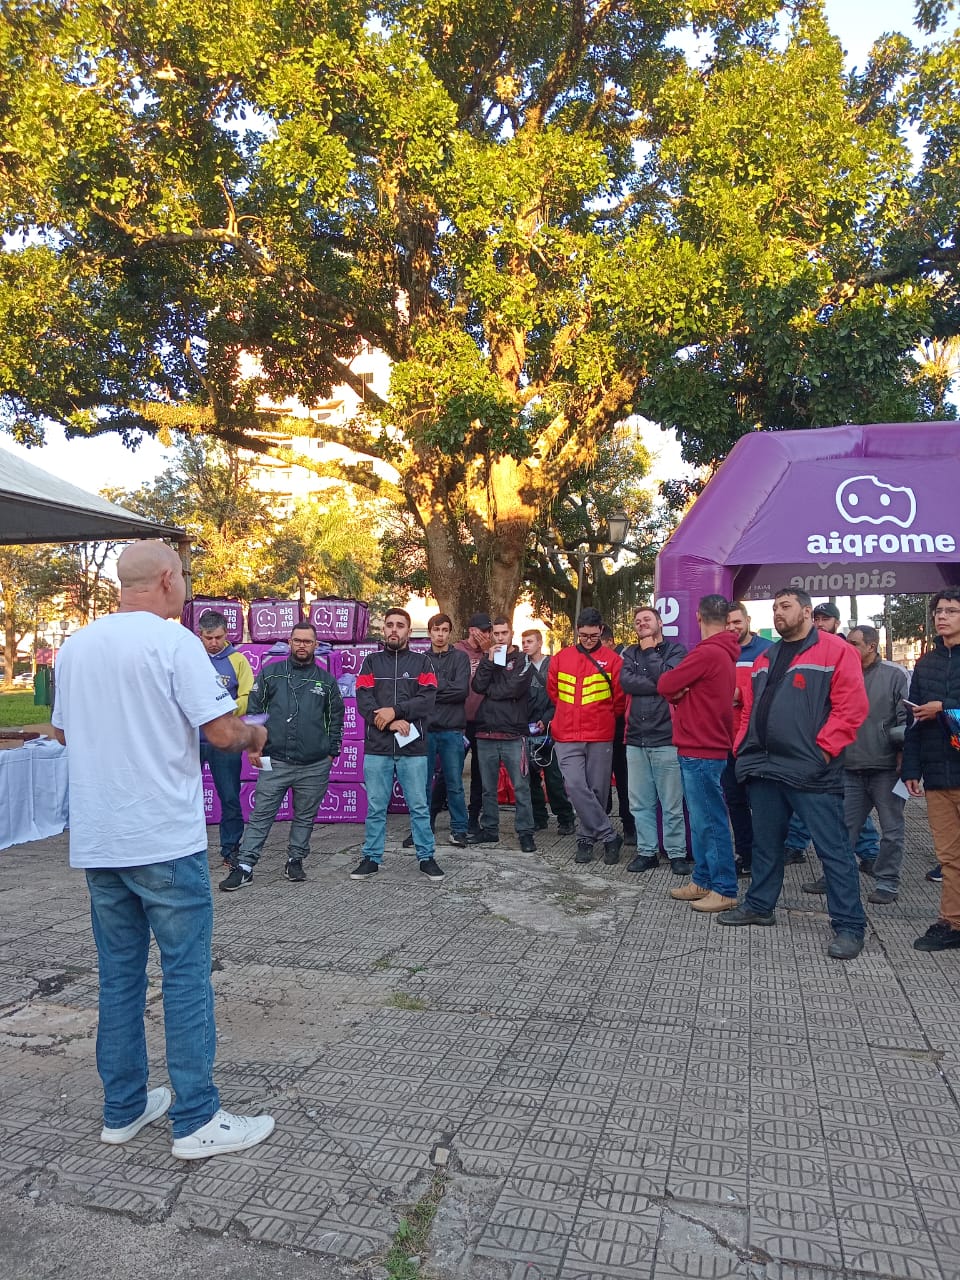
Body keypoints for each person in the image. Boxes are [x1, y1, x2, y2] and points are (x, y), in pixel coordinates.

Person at [51, 541, 274, 1159]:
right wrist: (255, 735)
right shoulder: (175, 643)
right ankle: (196, 1118)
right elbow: (222, 732)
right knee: (185, 974)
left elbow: (64, 730)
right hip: (163, 839)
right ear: (169, 579)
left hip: (100, 839)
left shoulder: (77, 646)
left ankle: (123, 1107)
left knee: (119, 975)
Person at [722, 587, 869, 959]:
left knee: (833, 849)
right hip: (765, 768)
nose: (778, 613)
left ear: (806, 612)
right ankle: (760, 906)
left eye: (785, 606)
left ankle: (849, 926)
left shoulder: (837, 651)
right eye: (774, 607)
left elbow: (852, 708)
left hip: (812, 770)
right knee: (766, 845)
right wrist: (743, 745)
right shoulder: (766, 657)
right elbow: (749, 707)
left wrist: (822, 751)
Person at [219, 621, 343, 890]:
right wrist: (254, 746)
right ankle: (245, 866)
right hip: (275, 761)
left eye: (307, 641)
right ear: (289, 643)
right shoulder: (270, 674)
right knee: (261, 815)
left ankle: (295, 860)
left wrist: (331, 754)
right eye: (297, 640)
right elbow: (254, 711)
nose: (302, 645)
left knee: (305, 816)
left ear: (316, 645)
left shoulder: (326, 681)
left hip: (314, 765)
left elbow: (336, 719)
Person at [657, 594, 740, 912]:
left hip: (701, 747)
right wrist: (683, 693)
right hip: (707, 745)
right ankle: (704, 879)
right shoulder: (723, 652)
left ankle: (724, 888)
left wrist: (680, 693)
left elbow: (666, 684)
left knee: (710, 822)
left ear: (698, 617)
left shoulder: (707, 652)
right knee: (703, 820)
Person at [784, 601, 880, 868]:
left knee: (847, 803)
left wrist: (828, 746)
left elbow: (852, 705)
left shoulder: (845, 650)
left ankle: (868, 851)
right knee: (805, 796)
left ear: (837, 623)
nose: (820, 623)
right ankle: (795, 845)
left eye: (825, 619)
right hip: (809, 740)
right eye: (816, 618)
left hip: (841, 742)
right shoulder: (804, 649)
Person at [352, 607, 443, 879]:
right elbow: (363, 700)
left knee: (419, 806)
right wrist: (389, 722)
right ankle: (371, 858)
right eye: (389, 624)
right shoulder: (370, 662)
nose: (394, 629)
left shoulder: (422, 663)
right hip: (377, 747)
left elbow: (427, 700)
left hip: (412, 749)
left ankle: (426, 857)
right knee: (376, 807)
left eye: (400, 625)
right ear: (384, 629)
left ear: (409, 631)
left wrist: (397, 711)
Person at [825, 625, 906, 905]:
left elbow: (905, 719)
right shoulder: (841, 674)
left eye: (854, 644)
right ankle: (836, 877)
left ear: (871, 646)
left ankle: (887, 883)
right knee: (842, 829)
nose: (848, 648)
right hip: (850, 767)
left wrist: (903, 755)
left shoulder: (894, 675)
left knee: (891, 830)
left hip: (886, 769)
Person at [902, 588, 960, 951]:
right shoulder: (925, 664)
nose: (942, 616)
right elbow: (914, 720)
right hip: (938, 775)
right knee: (949, 857)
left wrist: (945, 706)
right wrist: (911, 768)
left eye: (951, 611)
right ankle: (952, 923)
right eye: (939, 611)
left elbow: (937, 709)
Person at [547, 608, 626, 866]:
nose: (588, 640)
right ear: (577, 631)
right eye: (583, 635)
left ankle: (586, 839)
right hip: (566, 733)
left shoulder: (614, 661)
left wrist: (602, 718)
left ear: (601, 630)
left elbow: (619, 700)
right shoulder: (561, 658)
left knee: (598, 790)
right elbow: (554, 693)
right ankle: (609, 835)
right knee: (574, 786)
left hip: (600, 733)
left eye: (593, 635)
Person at [619, 605, 690, 875]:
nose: (641, 624)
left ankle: (676, 853)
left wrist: (649, 651)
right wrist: (659, 684)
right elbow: (626, 682)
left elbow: (670, 680)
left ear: (660, 623)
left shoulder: (676, 651)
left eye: (647, 619)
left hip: (666, 738)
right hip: (635, 738)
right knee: (640, 803)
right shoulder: (629, 653)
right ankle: (647, 852)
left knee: (671, 803)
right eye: (637, 621)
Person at [469, 616, 537, 850]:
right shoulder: (488, 657)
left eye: (503, 633)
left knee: (521, 787)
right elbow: (478, 686)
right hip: (486, 732)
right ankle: (490, 829)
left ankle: (525, 832)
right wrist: (489, 661)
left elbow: (513, 688)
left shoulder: (523, 659)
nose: (499, 637)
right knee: (488, 788)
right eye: (496, 634)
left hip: (514, 734)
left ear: (511, 633)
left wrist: (492, 689)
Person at [196, 610, 254, 868]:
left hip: (226, 741)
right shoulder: (190, 658)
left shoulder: (238, 660)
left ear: (227, 634)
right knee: (184, 796)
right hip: (192, 741)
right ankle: (186, 849)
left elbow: (248, 695)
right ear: (200, 635)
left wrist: (226, 710)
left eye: (218, 637)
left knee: (229, 795)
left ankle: (230, 848)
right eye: (208, 638)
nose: (213, 643)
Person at [723, 603, 772, 877]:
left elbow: (775, 691)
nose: (732, 628)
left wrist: (743, 694)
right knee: (736, 802)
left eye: (737, 622)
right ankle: (746, 856)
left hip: (757, 744)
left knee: (763, 806)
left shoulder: (767, 650)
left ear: (748, 620)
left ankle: (768, 857)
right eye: (727, 623)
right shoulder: (720, 651)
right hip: (727, 743)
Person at [423, 612, 471, 846]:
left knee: (455, 784)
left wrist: (433, 688)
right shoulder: (421, 660)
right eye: (436, 630)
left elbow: (461, 691)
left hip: (452, 729)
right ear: (429, 632)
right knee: (422, 784)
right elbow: (419, 693)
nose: (440, 635)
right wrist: (442, 689)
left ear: (450, 633)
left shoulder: (460, 658)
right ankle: (422, 828)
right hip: (426, 730)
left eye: (444, 630)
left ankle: (459, 829)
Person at [521, 628, 575, 836]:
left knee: (553, 778)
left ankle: (565, 818)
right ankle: (539, 817)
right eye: (524, 642)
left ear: (540, 642)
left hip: (550, 730)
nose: (526, 645)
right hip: (526, 729)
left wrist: (545, 720)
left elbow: (561, 697)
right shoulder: (522, 667)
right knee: (530, 778)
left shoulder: (553, 665)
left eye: (530, 641)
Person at [454, 612, 495, 834]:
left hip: (483, 721)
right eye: (483, 630)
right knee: (451, 772)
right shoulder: (457, 650)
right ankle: (434, 814)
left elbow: (499, 678)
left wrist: (489, 652)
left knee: (480, 774)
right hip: (459, 721)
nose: (486, 635)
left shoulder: (494, 651)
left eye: (489, 631)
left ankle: (473, 817)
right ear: (471, 630)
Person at [601, 623, 637, 846]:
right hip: (601, 730)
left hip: (620, 729)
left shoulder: (623, 659)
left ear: (610, 642)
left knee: (624, 781)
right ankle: (603, 824)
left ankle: (629, 825)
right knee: (601, 780)